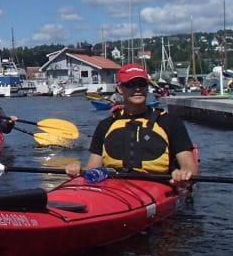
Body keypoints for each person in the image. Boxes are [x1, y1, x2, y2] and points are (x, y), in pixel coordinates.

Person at [65, 64, 198, 184]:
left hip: (159, 184)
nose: (137, 89)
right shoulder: (105, 125)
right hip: (115, 185)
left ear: (147, 87)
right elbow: (92, 167)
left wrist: (183, 173)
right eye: (131, 84)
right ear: (120, 89)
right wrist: (77, 169)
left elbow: (189, 167)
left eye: (142, 83)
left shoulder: (169, 122)